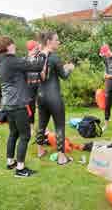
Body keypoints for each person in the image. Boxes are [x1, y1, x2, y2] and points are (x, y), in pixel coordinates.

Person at [0, 35, 44, 177]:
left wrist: (31, 55)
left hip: (8, 104)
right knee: (25, 135)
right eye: (13, 44)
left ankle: (10, 162)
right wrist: (42, 54)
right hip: (17, 104)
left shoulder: (3, 61)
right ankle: (20, 169)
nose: (15, 46)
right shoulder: (12, 61)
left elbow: (23, 63)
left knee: (14, 133)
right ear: (9, 46)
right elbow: (37, 66)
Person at [36, 31, 75, 165]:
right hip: (53, 96)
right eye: (56, 40)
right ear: (48, 42)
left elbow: (46, 73)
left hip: (40, 95)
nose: (58, 42)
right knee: (59, 125)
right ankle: (61, 157)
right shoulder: (54, 57)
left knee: (42, 124)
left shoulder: (38, 56)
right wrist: (70, 68)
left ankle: (40, 150)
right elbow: (63, 75)